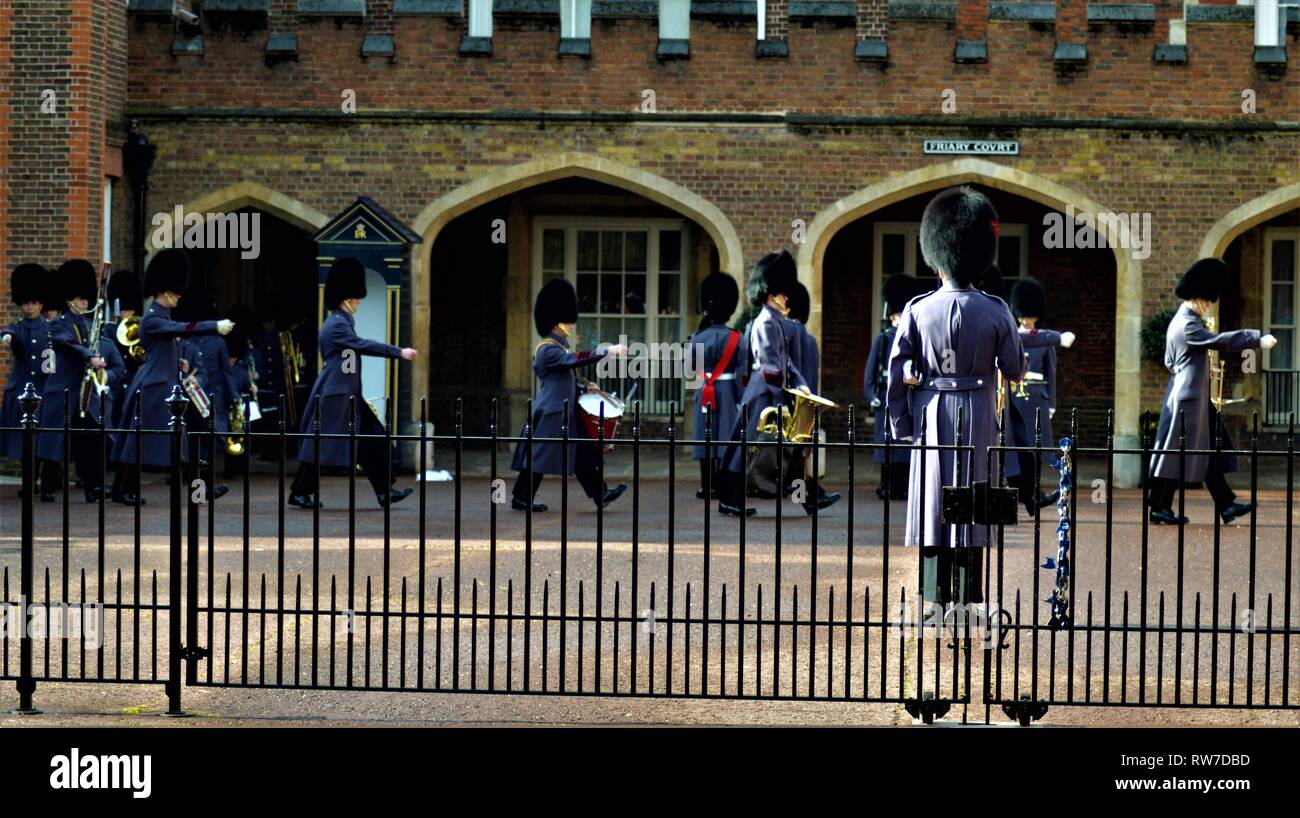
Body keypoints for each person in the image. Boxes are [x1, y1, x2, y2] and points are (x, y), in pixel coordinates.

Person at [886, 186, 1025, 607]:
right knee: (974, 496)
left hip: (931, 411)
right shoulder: (997, 308)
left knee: (933, 497)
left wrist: (901, 425)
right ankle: (969, 595)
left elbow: (896, 372)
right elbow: (1015, 369)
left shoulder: (915, 308)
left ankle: (931, 596)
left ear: (937, 256)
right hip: (979, 410)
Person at [1147, 258, 1275, 526]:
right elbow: (1217, 341)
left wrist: (1205, 372)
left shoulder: (1182, 320)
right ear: (1196, 297)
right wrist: (1255, 340)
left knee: (1208, 449)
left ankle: (1225, 504)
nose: (1208, 306)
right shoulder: (1188, 323)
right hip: (1189, 400)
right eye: (1206, 301)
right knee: (1177, 452)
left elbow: (1176, 361)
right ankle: (1159, 506)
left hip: (1191, 395)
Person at [288, 257, 417, 509]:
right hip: (336, 396)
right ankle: (299, 492)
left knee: (373, 440)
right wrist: (398, 352)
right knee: (321, 445)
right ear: (345, 297)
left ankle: (384, 491)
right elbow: (364, 345)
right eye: (356, 297)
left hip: (348, 393)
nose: (359, 300)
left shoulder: (343, 321)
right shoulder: (337, 325)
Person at [110, 249, 233, 506]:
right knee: (140, 442)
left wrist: (177, 362)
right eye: (176, 291)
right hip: (156, 387)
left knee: (190, 438)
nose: (180, 295)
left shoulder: (162, 317)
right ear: (164, 291)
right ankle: (122, 489)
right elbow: (180, 330)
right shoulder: (153, 318)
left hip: (168, 385)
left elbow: (161, 348)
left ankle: (201, 489)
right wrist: (213, 325)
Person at [510, 278, 629, 512]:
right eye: (567, 321)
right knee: (539, 458)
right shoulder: (547, 349)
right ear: (556, 322)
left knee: (583, 453)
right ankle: (521, 497)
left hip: (565, 411)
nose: (571, 326)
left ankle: (600, 493)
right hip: (552, 412)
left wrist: (586, 388)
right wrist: (608, 350)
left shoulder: (556, 348)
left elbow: (566, 378)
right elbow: (575, 359)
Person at [718, 250, 815, 517]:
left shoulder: (775, 321)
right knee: (745, 447)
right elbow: (770, 364)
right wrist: (785, 392)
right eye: (784, 294)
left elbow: (787, 364)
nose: (787, 298)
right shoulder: (765, 322)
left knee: (778, 445)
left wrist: (800, 384)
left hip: (771, 389)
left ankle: (809, 496)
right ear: (772, 294)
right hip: (764, 392)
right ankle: (729, 499)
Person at [34, 259, 114, 503]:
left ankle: (94, 487)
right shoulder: (59, 324)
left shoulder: (92, 324)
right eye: (80, 299)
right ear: (70, 299)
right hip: (62, 390)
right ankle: (47, 486)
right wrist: (90, 356)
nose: (85, 302)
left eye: (86, 299)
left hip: (85, 392)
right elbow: (69, 343)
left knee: (91, 442)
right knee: (54, 443)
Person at [1003, 276, 1076, 516]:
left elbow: (1051, 373)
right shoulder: (1016, 336)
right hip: (1015, 396)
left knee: (1035, 451)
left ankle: (1033, 494)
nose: (1026, 320)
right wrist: (1056, 336)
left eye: (1030, 315)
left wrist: (1051, 402)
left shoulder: (1043, 339)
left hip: (1037, 397)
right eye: (1023, 315)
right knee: (1017, 449)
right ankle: (1028, 496)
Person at [864, 273, 926, 500]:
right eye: (899, 314)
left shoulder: (915, 339)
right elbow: (871, 373)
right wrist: (871, 396)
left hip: (908, 395)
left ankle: (907, 486)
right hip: (886, 395)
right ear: (891, 317)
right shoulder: (882, 340)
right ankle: (888, 483)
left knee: (907, 445)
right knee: (887, 443)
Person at [781, 280, 840, 510]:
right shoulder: (809, 340)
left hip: (789, 403)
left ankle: (807, 497)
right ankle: (808, 497)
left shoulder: (784, 332)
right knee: (798, 456)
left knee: (796, 457)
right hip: (802, 405)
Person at [689, 272, 742, 500]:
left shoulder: (697, 337)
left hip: (704, 391)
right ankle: (723, 486)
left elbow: (691, 372)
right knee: (725, 438)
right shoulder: (735, 338)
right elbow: (742, 372)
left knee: (705, 437)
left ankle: (707, 486)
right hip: (728, 392)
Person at [1, 264, 52, 492]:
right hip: (21, 390)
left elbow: (49, 362)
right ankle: (29, 482)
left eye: (33, 302)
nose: (29, 307)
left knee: (41, 438)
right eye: (25, 303)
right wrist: (7, 339)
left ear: (41, 304)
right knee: (23, 440)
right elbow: (7, 333)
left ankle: (43, 481)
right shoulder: (17, 327)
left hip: (42, 389)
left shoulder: (49, 329)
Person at [103, 269, 143, 429]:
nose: (125, 310)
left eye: (129, 307)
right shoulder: (109, 330)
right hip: (115, 387)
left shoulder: (141, 328)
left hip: (135, 385)